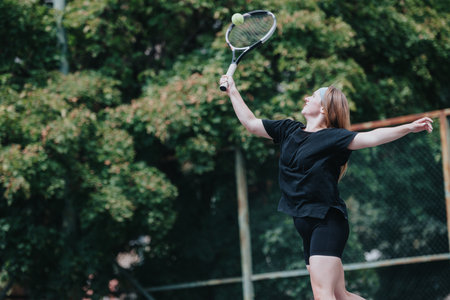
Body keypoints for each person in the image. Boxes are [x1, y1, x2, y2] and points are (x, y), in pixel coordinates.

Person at [219, 75, 433, 300]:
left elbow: (372, 137)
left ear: (323, 108)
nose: (305, 97)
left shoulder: (334, 138)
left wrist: (408, 128)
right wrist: (233, 90)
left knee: (323, 294)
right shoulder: (288, 130)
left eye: (312, 96)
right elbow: (251, 124)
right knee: (342, 295)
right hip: (304, 223)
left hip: (327, 221)